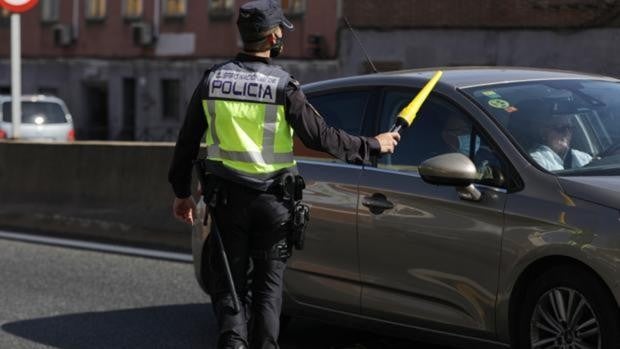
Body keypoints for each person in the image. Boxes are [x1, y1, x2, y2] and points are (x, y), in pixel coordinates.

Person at [167, 1, 400, 348]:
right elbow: (322, 138)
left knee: (230, 286)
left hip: (228, 202)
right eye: (280, 32)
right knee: (268, 290)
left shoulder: (212, 80)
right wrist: (373, 145)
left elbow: (186, 141)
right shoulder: (284, 87)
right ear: (273, 36)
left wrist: (181, 192)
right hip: (274, 203)